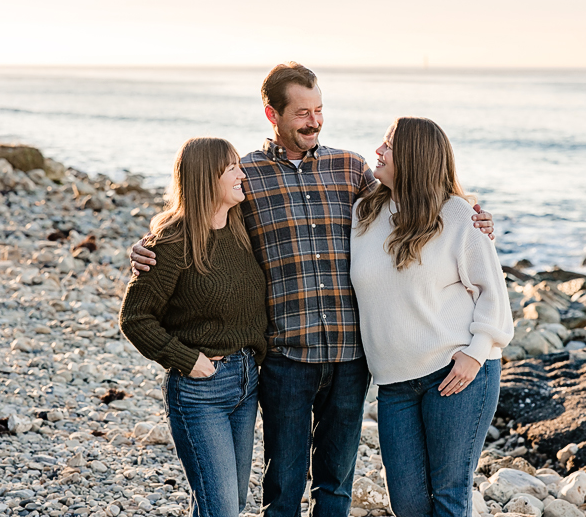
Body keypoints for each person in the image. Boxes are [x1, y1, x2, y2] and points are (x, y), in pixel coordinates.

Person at [130, 63, 496, 517]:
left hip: (351, 355)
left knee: (335, 484)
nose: (314, 121)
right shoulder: (244, 176)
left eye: (319, 109)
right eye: (302, 112)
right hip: (286, 355)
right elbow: (200, 218)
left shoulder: (352, 169)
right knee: (282, 485)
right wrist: (150, 243)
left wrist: (476, 219)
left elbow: (415, 201)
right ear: (273, 114)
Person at [349, 117, 514, 517]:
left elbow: (494, 293)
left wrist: (476, 353)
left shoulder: (458, 215)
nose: (379, 151)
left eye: (388, 145)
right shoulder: (364, 213)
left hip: (455, 374)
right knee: (406, 504)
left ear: (413, 157)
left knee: (448, 496)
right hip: (393, 383)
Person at [118, 137, 268, 517]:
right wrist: (186, 359)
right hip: (200, 391)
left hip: (246, 383)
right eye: (231, 167)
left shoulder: (241, 229)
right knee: (220, 509)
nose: (242, 173)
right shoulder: (170, 243)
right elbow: (135, 317)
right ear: (205, 178)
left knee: (228, 503)